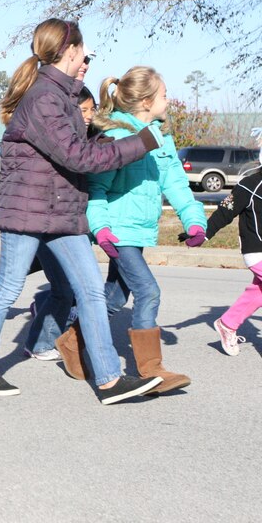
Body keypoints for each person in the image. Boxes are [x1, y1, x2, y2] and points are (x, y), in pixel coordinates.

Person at [0, 18, 164, 404]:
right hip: (29, 210)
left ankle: (109, 380)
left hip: (62, 211)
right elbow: (78, 156)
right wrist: (140, 142)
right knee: (7, 287)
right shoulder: (44, 98)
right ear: (70, 51)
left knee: (89, 291)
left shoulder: (64, 98)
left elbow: (77, 147)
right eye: (84, 52)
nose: (87, 59)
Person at [78, 66, 203, 392]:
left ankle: (72, 340)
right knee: (148, 291)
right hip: (118, 233)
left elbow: (175, 185)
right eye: (163, 94)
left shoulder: (161, 139)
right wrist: (101, 228)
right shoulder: (119, 139)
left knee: (114, 297)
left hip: (139, 231)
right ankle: (150, 369)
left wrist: (194, 221)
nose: (168, 99)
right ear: (146, 101)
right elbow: (97, 188)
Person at [24, 85, 98, 360]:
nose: (89, 115)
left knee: (66, 287)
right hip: (48, 222)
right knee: (65, 288)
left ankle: (42, 305)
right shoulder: (59, 140)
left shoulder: (89, 137)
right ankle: (39, 344)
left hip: (70, 222)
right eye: (84, 109)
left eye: (93, 109)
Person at [208, 131, 262, 357]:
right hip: (257, 251)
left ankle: (228, 323)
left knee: (259, 292)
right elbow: (225, 211)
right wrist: (204, 233)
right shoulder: (250, 185)